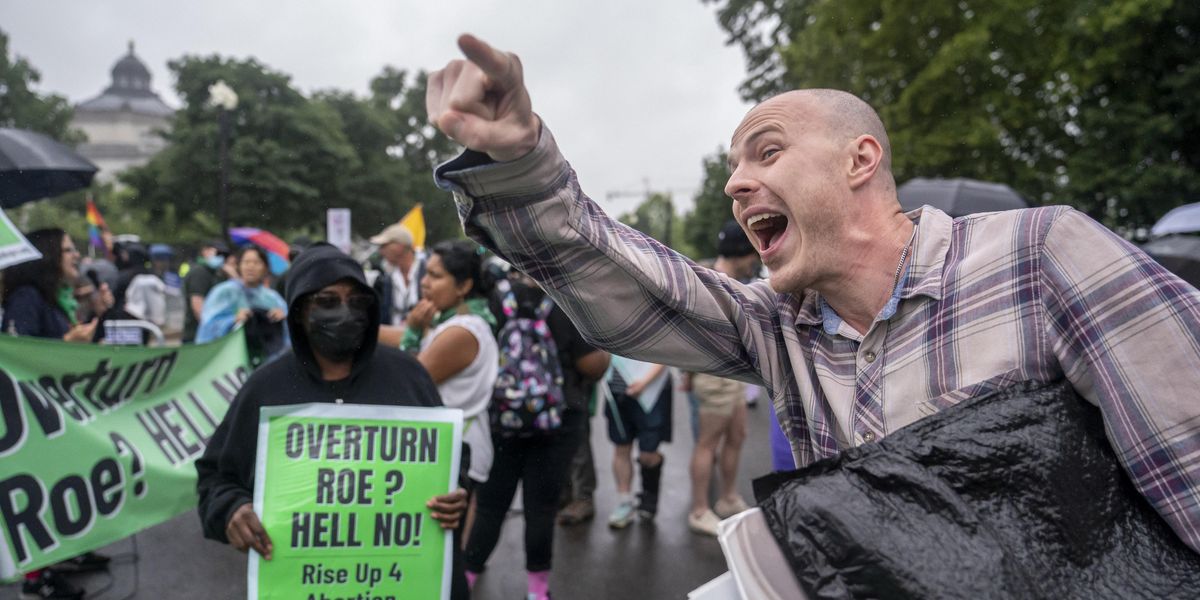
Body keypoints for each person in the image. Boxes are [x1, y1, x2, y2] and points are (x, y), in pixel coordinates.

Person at [425, 35, 1200, 555]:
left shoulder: (1042, 254)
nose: (734, 184)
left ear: (861, 159)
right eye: (733, 168)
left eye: (767, 150)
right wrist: (519, 165)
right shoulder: (775, 326)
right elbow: (619, 278)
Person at [195, 243, 470, 599]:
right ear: (298, 311)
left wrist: (455, 491)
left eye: (357, 301)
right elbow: (215, 479)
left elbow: (450, 457)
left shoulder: (408, 377)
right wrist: (232, 509)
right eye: (327, 301)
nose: (345, 312)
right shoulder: (266, 388)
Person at [463, 269, 608, 599]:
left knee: (489, 506)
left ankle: (465, 580)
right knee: (541, 509)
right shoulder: (569, 301)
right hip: (557, 421)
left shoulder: (497, 300)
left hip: (502, 418)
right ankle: (537, 591)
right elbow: (592, 366)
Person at [2, 229, 107, 598]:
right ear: (47, 257)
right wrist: (68, 342)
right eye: (67, 249)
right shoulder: (26, 299)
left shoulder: (51, 298)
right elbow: (16, 356)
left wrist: (94, 319)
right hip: (32, 421)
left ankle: (67, 552)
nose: (76, 255)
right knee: (41, 489)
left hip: (56, 417)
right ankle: (36, 580)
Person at [399, 240, 498, 540]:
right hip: (452, 447)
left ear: (464, 285)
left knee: (443, 550)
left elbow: (409, 380)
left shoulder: (461, 331)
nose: (425, 283)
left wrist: (413, 332)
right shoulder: (453, 321)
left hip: (457, 452)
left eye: (436, 276)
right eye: (425, 274)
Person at [683, 222, 756, 536]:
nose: (755, 257)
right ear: (740, 253)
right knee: (707, 444)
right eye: (751, 250)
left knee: (737, 435)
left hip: (734, 376)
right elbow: (688, 335)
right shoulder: (710, 282)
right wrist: (687, 373)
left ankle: (727, 498)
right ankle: (700, 510)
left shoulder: (733, 280)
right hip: (713, 376)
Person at [604, 357, 672, 528]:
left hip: (652, 389)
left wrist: (645, 382)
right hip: (617, 390)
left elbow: (665, 349)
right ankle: (624, 501)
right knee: (621, 447)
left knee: (648, 453)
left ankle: (649, 496)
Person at [195, 246, 288, 365]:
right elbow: (206, 328)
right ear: (238, 266)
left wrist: (283, 317)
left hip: (265, 363)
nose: (251, 266)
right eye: (246, 262)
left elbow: (289, 336)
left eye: (257, 262)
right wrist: (233, 320)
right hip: (229, 365)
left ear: (265, 268)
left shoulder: (273, 298)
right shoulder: (223, 292)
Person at [371, 222, 426, 326]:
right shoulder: (385, 280)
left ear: (400, 246)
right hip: (393, 339)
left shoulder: (429, 273)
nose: (381, 251)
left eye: (384, 245)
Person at [181, 240, 230, 342]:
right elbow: (198, 307)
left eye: (224, 255)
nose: (221, 257)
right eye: (218, 253)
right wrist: (211, 331)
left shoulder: (216, 273)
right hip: (197, 336)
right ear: (205, 251)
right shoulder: (200, 272)